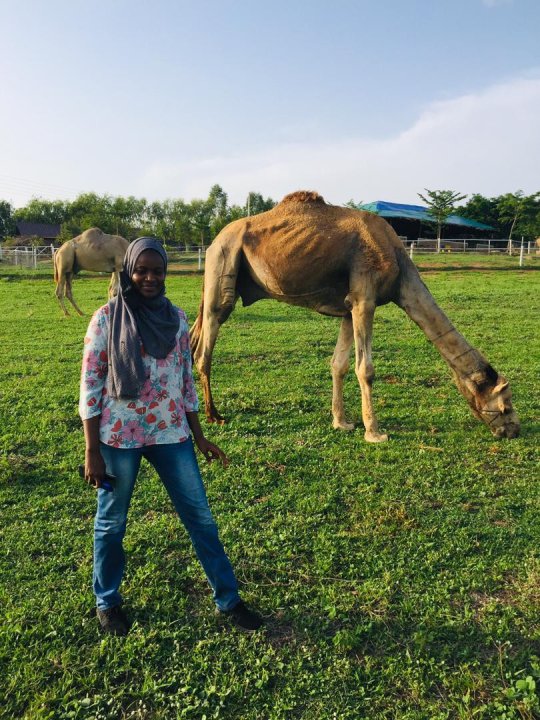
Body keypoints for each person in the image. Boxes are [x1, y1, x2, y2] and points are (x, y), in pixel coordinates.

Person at [79, 236, 263, 636]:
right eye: (141, 270)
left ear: (165, 273)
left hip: (170, 433)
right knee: (111, 524)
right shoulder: (106, 319)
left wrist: (199, 437)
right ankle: (107, 602)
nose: (149, 277)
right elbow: (91, 387)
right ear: (128, 270)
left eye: (157, 271)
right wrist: (92, 450)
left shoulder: (178, 320)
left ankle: (228, 600)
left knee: (201, 519)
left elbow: (184, 383)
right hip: (119, 438)